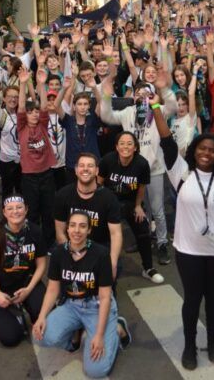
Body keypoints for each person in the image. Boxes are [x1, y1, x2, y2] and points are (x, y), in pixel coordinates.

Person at [157, 104, 214, 371]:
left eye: (212, 150)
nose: (206, 153)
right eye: (202, 148)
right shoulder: (181, 172)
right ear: (195, 150)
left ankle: (213, 341)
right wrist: (155, 105)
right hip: (188, 251)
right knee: (193, 299)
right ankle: (189, 345)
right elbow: (166, 140)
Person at [33, 211, 129, 378]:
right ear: (67, 229)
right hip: (71, 305)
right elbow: (53, 288)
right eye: (73, 225)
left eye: (82, 226)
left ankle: (117, 329)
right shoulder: (58, 253)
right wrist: (42, 316)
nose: (77, 230)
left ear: (89, 230)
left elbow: (105, 296)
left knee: (95, 371)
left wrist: (99, 335)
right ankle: (77, 332)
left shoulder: (101, 254)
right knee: (41, 337)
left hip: (96, 307)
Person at [98, 66, 177, 265]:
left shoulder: (158, 111)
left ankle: (161, 243)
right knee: (139, 209)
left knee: (157, 209)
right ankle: (144, 238)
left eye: (147, 93)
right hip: (133, 170)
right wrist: (106, 97)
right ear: (133, 96)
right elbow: (106, 116)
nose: (143, 96)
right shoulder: (128, 112)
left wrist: (164, 90)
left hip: (154, 169)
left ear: (152, 96)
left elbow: (173, 107)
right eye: (139, 93)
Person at [98, 132, 164, 284]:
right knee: (101, 234)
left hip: (130, 202)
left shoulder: (142, 164)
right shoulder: (108, 160)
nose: (125, 147)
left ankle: (148, 268)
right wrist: (99, 205)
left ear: (135, 147)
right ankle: (103, 268)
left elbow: (141, 187)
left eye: (129, 143)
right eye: (122, 143)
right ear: (116, 147)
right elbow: (99, 183)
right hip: (109, 203)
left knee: (143, 229)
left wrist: (138, 205)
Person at [0, 194, 49, 347]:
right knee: (10, 339)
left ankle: (28, 307)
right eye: (10, 208)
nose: (15, 211)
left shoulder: (35, 231)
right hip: (5, 289)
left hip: (29, 283)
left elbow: (41, 264)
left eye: (19, 207)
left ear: (26, 209)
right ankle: (14, 315)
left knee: (48, 322)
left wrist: (28, 289)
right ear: (4, 212)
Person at [53, 153, 123, 279]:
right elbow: (60, 233)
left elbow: (116, 233)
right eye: (82, 165)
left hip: (101, 246)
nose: (85, 169)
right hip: (72, 246)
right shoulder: (62, 195)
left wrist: (112, 264)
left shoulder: (109, 198)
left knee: (114, 268)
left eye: (90, 166)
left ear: (97, 171)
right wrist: (74, 255)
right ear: (76, 170)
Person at [16, 68, 58, 244]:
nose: (34, 114)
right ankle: (32, 241)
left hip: (47, 174)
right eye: (30, 112)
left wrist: (41, 84)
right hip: (29, 177)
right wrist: (23, 84)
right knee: (32, 212)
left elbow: (43, 107)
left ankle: (49, 243)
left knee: (49, 211)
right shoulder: (22, 128)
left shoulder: (42, 124)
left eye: (35, 112)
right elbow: (20, 107)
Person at [0, 84, 22, 197]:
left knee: (21, 190)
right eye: (10, 96)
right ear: (4, 98)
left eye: (16, 97)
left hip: (22, 159)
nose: (13, 99)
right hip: (6, 160)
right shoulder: (1, 114)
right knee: (7, 190)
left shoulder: (22, 113)